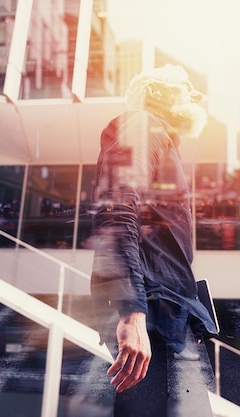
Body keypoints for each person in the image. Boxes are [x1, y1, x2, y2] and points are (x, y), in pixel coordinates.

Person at [89, 64, 219, 413]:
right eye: (187, 88)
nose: (196, 96)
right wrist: (132, 312)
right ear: (163, 95)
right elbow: (115, 211)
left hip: (168, 316)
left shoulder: (159, 138)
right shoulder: (142, 126)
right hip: (153, 316)